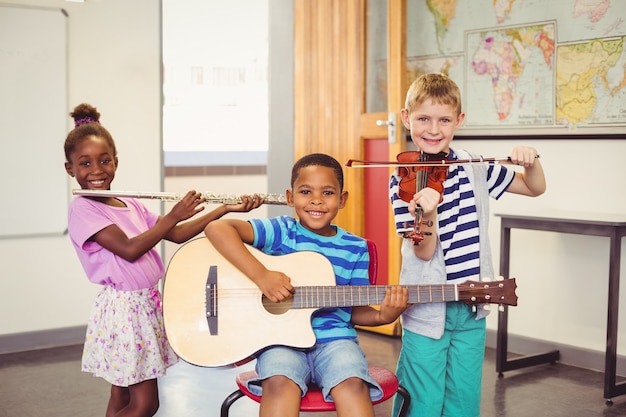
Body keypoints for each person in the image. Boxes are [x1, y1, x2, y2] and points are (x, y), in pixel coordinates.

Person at [63, 103, 263, 417]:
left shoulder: (127, 200)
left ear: (116, 161)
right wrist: (172, 215)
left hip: (144, 306)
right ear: (70, 169)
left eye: (104, 160)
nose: (97, 170)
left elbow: (177, 233)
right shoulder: (83, 208)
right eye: (85, 163)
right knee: (146, 404)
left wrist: (224, 210)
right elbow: (130, 249)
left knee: (122, 398)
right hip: (125, 312)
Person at [389, 73, 546, 417]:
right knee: (423, 401)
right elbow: (424, 251)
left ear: (458, 121)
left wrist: (532, 160)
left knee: (463, 401)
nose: (433, 129)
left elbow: (534, 188)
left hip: (472, 303)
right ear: (406, 118)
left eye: (444, 120)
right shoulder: (404, 177)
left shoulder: (475, 165)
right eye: (423, 119)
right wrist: (426, 214)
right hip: (428, 305)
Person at [204, 153, 409, 417]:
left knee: (352, 384)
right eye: (305, 191)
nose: (316, 200)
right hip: (280, 341)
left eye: (327, 192)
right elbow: (217, 229)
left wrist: (384, 315)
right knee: (279, 383)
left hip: (335, 340)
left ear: (342, 199)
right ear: (290, 197)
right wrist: (262, 276)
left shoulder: (355, 248)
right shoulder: (281, 231)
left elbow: (354, 309)